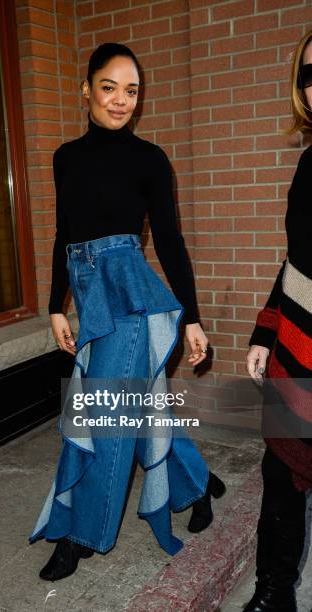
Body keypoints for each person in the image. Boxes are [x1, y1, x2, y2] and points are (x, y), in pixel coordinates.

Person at [29, 43, 225, 582]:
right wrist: (55, 306)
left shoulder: (149, 160)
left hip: (133, 300)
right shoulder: (64, 157)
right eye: (109, 87)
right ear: (86, 88)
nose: (121, 101)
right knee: (139, 410)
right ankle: (196, 482)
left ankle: (79, 534)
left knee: (106, 416)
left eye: (131, 90)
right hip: (90, 298)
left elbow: (169, 240)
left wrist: (191, 317)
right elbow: (64, 236)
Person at [245, 29, 312, 612]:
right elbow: (296, 258)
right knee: (281, 474)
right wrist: (267, 332)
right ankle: (274, 592)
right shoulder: (311, 162)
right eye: (309, 76)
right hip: (299, 347)